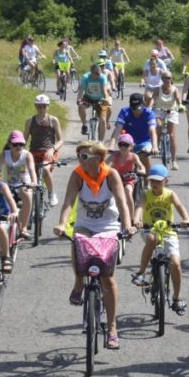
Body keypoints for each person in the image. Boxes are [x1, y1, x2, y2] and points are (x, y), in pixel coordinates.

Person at [53, 142, 136, 350]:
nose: (80, 160)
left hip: (108, 226)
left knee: (107, 277)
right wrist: (62, 224)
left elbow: (122, 202)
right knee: (77, 243)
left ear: (98, 159)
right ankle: (78, 283)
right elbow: (68, 202)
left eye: (84, 156)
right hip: (85, 225)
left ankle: (112, 328)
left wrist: (127, 225)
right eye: (79, 156)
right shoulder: (78, 175)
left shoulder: (111, 175)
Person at [131, 164, 189, 315]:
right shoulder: (145, 194)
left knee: (175, 263)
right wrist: (137, 220)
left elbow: (179, 206)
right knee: (152, 239)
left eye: (158, 181)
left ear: (166, 181)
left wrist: (186, 219)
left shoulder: (170, 194)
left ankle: (177, 298)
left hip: (168, 230)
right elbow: (139, 206)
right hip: (150, 229)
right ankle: (141, 273)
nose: (155, 184)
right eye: (152, 180)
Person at [24, 94, 64, 207]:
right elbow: (24, 139)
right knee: (28, 174)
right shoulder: (30, 121)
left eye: (44, 106)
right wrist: (19, 151)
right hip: (33, 152)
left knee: (45, 169)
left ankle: (51, 194)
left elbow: (61, 140)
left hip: (48, 152)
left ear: (48, 106)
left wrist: (52, 149)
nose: (42, 109)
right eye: (39, 106)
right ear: (35, 106)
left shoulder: (53, 120)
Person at [0, 130, 39, 239]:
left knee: (27, 194)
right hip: (7, 185)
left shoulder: (27, 155)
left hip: (24, 184)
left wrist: (33, 182)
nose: (19, 147)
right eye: (15, 144)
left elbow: (32, 170)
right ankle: (3, 224)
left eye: (21, 144)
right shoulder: (4, 155)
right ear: (9, 144)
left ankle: (24, 228)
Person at [108, 92, 158, 170]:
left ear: (143, 104)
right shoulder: (124, 112)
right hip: (128, 142)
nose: (135, 111)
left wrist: (155, 146)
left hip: (144, 142)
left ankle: (148, 177)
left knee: (145, 154)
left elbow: (152, 131)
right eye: (133, 108)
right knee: (118, 160)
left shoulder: (149, 113)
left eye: (138, 108)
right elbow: (117, 129)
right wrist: (111, 145)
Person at [109, 133, 146, 220]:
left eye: (126, 145)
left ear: (132, 146)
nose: (123, 147)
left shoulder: (133, 156)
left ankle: (131, 218)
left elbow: (141, 166)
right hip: (116, 180)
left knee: (128, 192)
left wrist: (142, 171)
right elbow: (104, 164)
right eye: (120, 144)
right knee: (112, 195)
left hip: (129, 179)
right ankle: (112, 215)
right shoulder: (114, 155)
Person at [152, 71, 184, 171]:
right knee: (158, 127)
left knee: (172, 136)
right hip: (159, 110)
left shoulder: (174, 89)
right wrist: (149, 107)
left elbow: (178, 99)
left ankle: (174, 161)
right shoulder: (157, 89)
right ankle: (156, 146)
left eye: (169, 78)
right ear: (162, 79)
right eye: (165, 78)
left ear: (171, 79)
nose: (167, 80)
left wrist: (180, 106)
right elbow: (153, 100)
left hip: (171, 111)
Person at [77, 62, 112, 139]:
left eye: (100, 72)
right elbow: (81, 91)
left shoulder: (102, 77)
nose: (99, 74)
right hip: (88, 97)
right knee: (80, 106)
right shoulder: (85, 77)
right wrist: (79, 100)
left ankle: (101, 141)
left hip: (100, 99)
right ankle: (84, 125)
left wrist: (106, 99)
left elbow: (104, 91)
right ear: (91, 73)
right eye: (97, 73)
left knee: (103, 120)